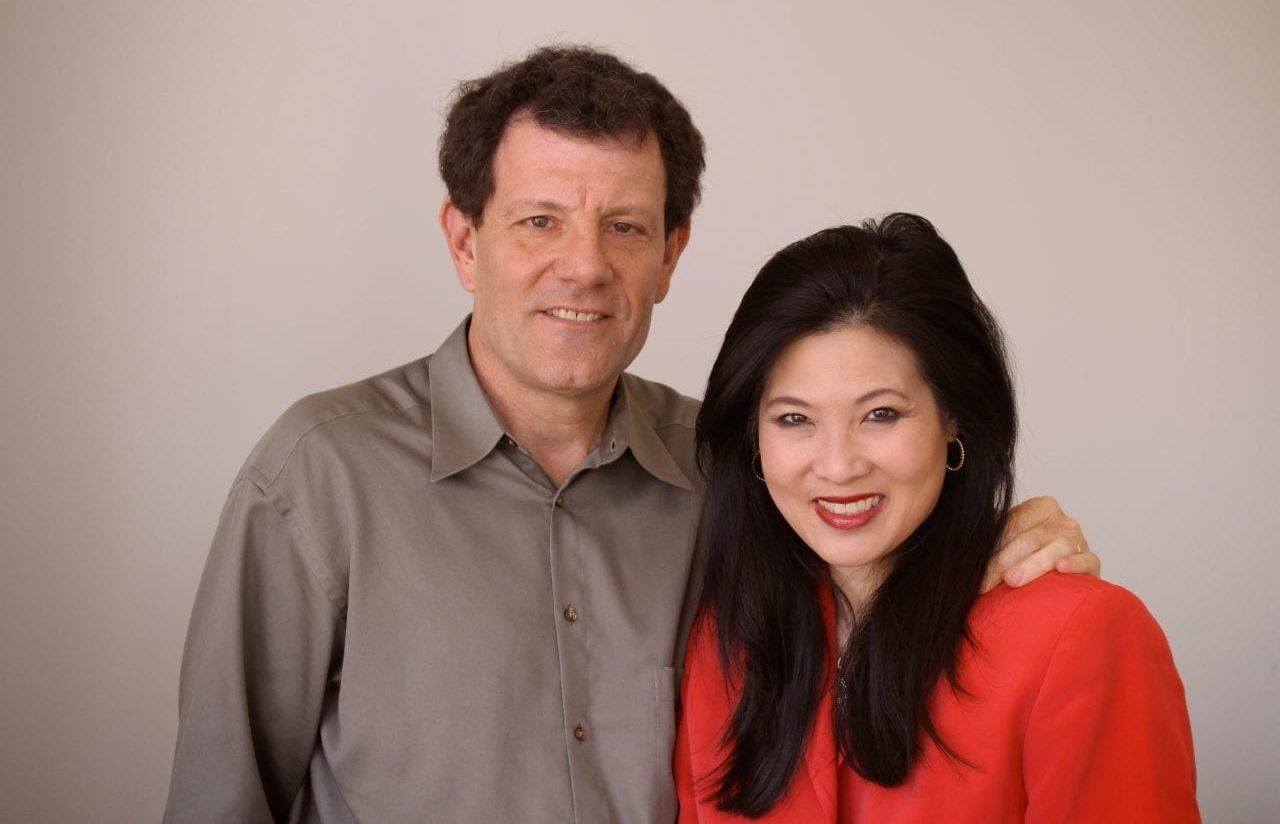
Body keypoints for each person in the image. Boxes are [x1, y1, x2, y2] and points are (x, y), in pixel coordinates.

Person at [164, 48, 1098, 822]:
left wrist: (999, 533)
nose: (585, 266)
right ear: (463, 240)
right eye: (539, 221)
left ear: (669, 255)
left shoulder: (735, 466)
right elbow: (222, 801)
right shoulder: (317, 474)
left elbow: (865, 572)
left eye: (624, 226)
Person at [674, 214, 1198, 822]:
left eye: (882, 414)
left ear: (953, 417)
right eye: (794, 419)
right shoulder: (727, 642)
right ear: (753, 439)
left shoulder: (1084, 636)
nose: (839, 466)